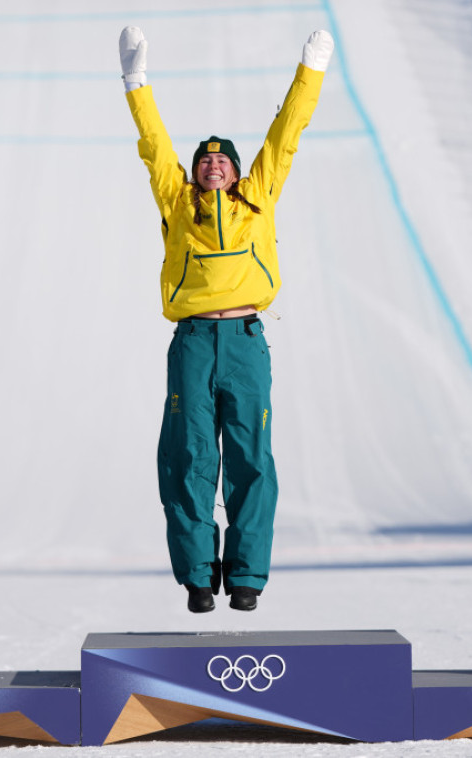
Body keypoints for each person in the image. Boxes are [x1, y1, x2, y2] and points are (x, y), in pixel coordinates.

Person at [118, 26, 333, 612]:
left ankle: (246, 576)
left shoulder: (258, 197)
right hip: (192, 341)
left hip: (244, 340)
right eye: (204, 161)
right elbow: (155, 144)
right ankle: (197, 574)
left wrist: (310, 70)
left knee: (250, 459)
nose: (212, 165)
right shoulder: (177, 201)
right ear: (194, 172)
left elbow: (286, 134)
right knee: (188, 456)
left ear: (236, 172)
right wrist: (136, 81)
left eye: (222, 161)